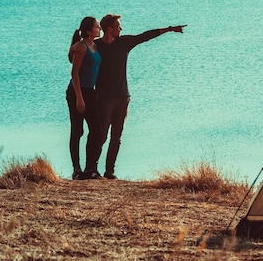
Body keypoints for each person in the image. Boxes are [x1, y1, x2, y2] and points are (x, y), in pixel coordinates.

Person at [73, 14, 185, 180]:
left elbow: (145, 36)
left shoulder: (124, 43)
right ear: (109, 29)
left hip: (123, 97)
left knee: (116, 137)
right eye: (118, 26)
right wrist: (73, 47)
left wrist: (169, 29)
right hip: (103, 98)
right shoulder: (96, 46)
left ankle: (109, 171)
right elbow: (78, 56)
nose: (121, 28)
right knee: (100, 135)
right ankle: (91, 168)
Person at [66, 17, 102, 180]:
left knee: (96, 130)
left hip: (90, 91)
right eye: (96, 26)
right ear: (89, 30)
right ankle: (77, 169)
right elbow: (74, 73)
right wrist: (79, 98)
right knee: (77, 130)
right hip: (77, 91)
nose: (99, 28)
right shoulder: (81, 47)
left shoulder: (94, 45)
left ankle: (90, 168)